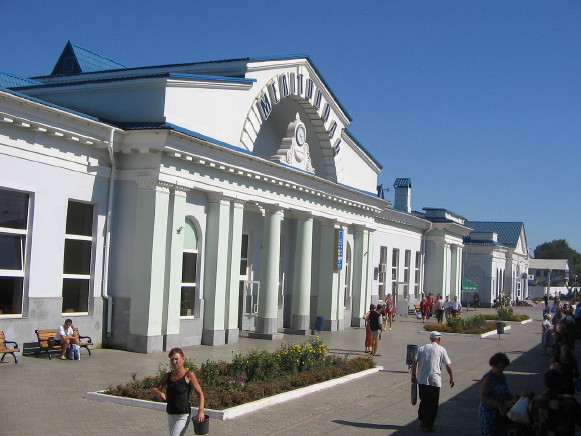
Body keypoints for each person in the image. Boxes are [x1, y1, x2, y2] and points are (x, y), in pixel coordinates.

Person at [152, 347, 205, 436]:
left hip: (183, 415)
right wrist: (159, 393)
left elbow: (200, 394)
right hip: (171, 413)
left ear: (183, 359)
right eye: (172, 360)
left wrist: (201, 411)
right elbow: (153, 389)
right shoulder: (168, 376)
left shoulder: (189, 375)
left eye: (176, 359)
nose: (174, 362)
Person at [411, 331, 454, 433]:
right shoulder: (441, 350)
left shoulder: (422, 348)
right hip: (434, 381)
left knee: (424, 400)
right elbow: (448, 365)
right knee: (433, 403)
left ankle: (422, 420)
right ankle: (428, 425)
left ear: (430, 338)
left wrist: (413, 374)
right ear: (439, 339)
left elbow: (414, 360)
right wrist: (451, 377)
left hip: (421, 380)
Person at [529, 369, 581, 436]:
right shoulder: (569, 402)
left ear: (545, 382)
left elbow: (531, 420)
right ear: (561, 383)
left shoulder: (535, 401)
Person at [478, 352, 515, 436]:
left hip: (501, 413)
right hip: (489, 413)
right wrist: (498, 405)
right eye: (499, 368)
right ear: (493, 365)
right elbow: (482, 396)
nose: (501, 370)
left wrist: (516, 397)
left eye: (503, 368)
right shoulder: (488, 377)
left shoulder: (502, 376)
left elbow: (506, 393)